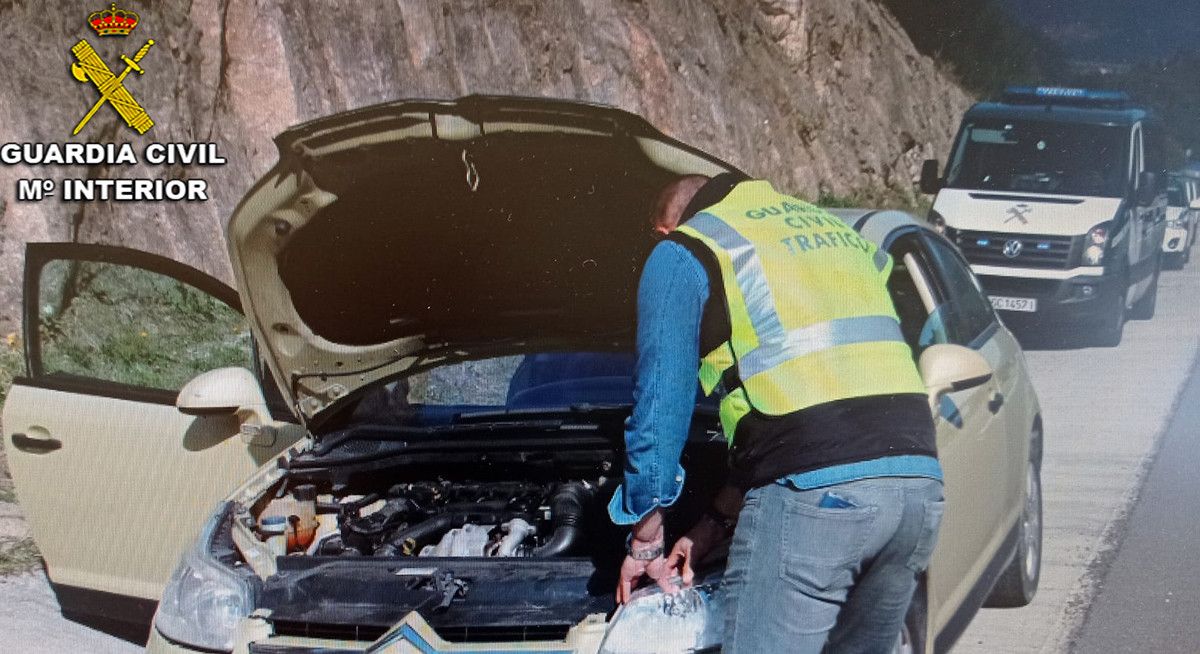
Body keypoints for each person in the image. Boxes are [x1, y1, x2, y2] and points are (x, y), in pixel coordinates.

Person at [608, 172, 945, 653]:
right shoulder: (832, 234)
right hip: (916, 491)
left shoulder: (687, 248)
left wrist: (645, 538)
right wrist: (712, 526)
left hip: (819, 504)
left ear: (665, 231)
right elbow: (798, 408)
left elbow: (660, 402)